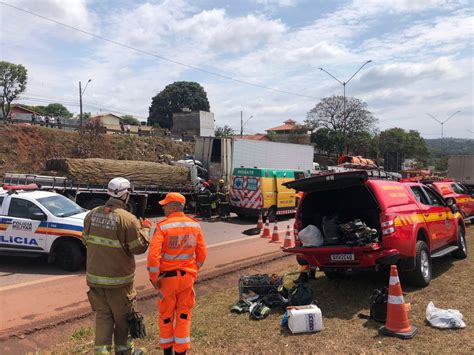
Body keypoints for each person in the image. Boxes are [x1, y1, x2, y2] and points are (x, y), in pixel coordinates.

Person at [82, 177, 151, 355]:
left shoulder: (92, 214)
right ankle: (125, 352)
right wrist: (145, 229)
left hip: (96, 282)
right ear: (126, 194)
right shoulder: (128, 219)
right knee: (123, 322)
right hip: (119, 283)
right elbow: (138, 248)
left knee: (103, 319)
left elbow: (85, 240)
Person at [148, 193, 207, 355]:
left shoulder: (163, 226)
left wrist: (154, 279)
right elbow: (202, 254)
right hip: (187, 279)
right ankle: (181, 351)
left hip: (166, 281)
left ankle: (167, 351)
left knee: (166, 316)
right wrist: (194, 271)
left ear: (174, 207)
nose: (163, 207)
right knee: (183, 316)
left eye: (165, 205)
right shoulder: (195, 225)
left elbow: (153, 257)